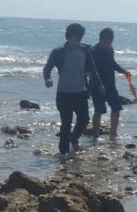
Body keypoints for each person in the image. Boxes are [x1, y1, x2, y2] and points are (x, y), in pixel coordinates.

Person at [43, 23, 104, 158]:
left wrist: (100, 85)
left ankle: (74, 138)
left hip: (81, 93)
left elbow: (93, 71)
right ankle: (63, 153)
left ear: (80, 39)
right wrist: (47, 79)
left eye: (77, 40)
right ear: (67, 37)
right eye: (71, 39)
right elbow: (47, 68)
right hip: (63, 94)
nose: (74, 42)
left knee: (84, 120)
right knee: (66, 123)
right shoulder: (58, 52)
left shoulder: (85, 51)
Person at [90, 28, 129, 140]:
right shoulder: (93, 51)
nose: (108, 44)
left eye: (110, 42)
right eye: (105, 41)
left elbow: (113, 64)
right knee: (99, 110)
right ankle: (96, 135)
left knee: (116, 109)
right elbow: (91, 71)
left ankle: (113, 134)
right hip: (96, 86)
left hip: (111, 85)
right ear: (100, 39)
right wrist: (96, 85)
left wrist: (123, 71)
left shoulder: (110, 49)